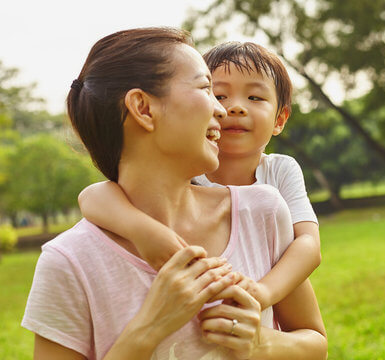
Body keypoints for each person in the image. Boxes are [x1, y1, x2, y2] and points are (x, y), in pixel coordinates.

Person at [21, 27, 327, 360]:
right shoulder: (69, 262)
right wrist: (149, 329)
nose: (223, 111)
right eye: (207, 89)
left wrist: (263, 344)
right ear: (143, 107)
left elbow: (315, 344)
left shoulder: (263, 210)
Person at [78, 41, 321, 311]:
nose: (234, 108)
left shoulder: (280, 170)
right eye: (217, 95)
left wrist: (262, 293)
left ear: (280, 119)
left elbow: (308, 243)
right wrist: (143, 231)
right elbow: (92, 196)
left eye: (255, 98)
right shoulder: (189, 172)